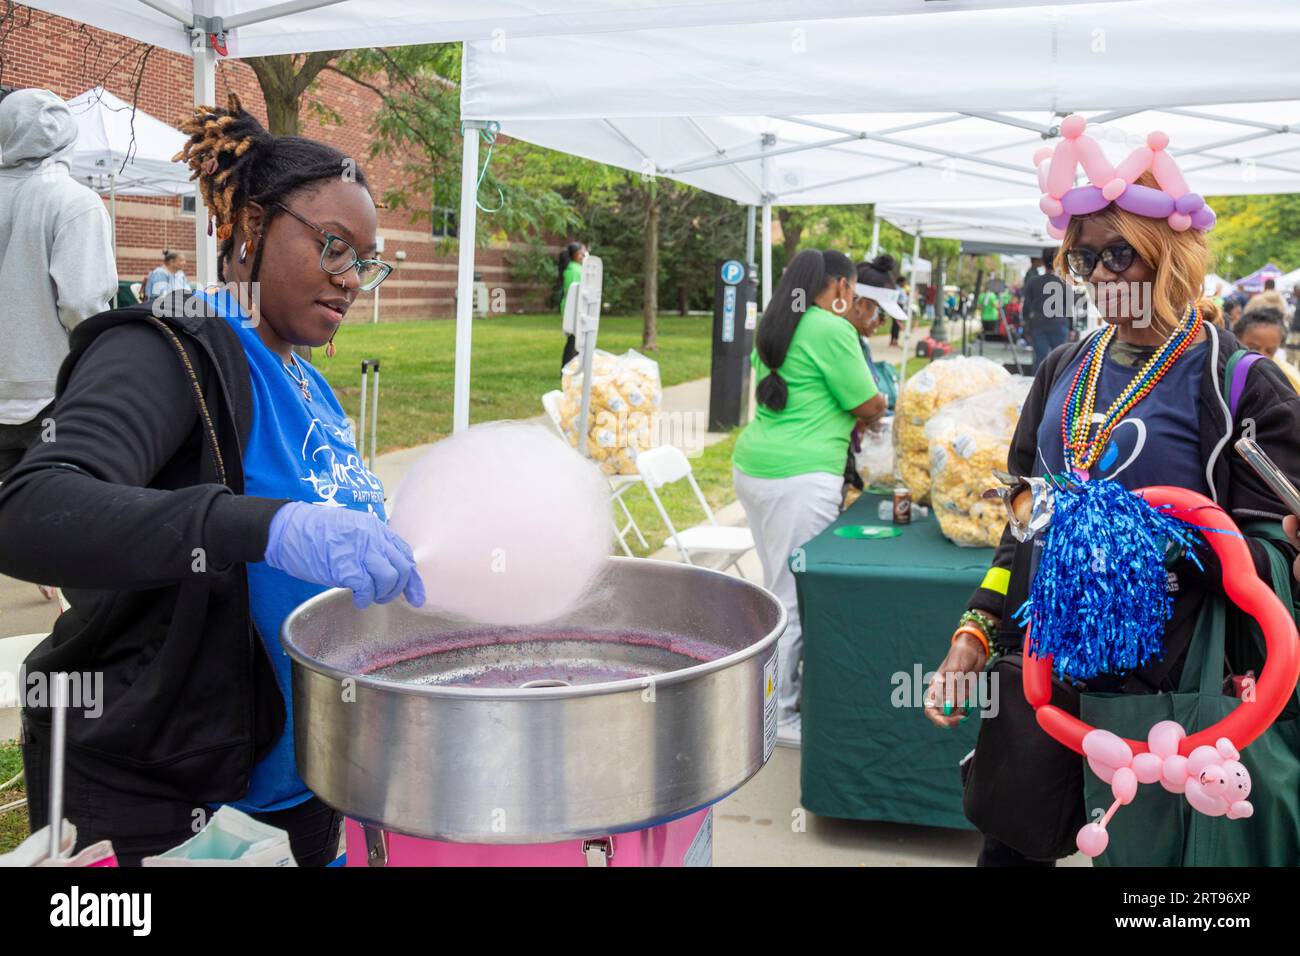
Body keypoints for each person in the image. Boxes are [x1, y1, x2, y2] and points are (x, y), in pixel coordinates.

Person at [0, 93, 424, 867]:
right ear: (252, 226)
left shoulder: (308, 380)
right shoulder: (170, 354)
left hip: (303, 780)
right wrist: (265, 528)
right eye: (333, 247)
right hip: (170, 795)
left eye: (365, 261)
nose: (352, 278)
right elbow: (33, 509)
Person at [924, 162, 1300, 866]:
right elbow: (1023, 524)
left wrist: (1155, 544)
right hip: (1049, 671)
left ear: (1171, 253)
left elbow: (1271, 549)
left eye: (1118, 252)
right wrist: (976, 628)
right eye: (1083, 257)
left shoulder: (1240, 382)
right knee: (1011, 845)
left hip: (1172, 699)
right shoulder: (1064, 366)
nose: (1099, 276)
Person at [733, 249, 886, 743]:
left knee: (776, 586)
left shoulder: (777, 323)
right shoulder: (830, 328)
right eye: (854, 289)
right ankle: (774, 716)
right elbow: (868, 402)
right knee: (792, 597)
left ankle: (769, 698)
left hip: (756, 468)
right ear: (841, 286)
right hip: (800, 479)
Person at [0, 88, 117, 481]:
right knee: (47, 521)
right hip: (53, 393)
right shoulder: (75, 202)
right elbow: (84, 304)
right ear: (68, 136)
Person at [1021, 246, 1074, 371]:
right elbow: (1069, 307)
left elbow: (1026, 307)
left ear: (1043, 261)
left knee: (1040, 360)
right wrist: (1072, 328)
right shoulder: (1064, 282)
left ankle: (1039, 388)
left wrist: (1026, 327)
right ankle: (1057, 388)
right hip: (1060, 323)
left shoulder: (1033, 282)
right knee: (1060, 361)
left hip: (1038, 324)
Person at [1233, 306, 1300, 393]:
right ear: (1236, 339)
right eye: (1253, 348)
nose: (1261, 355)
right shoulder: (1226, 369)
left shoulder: (1288, 377)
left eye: (1270, 351)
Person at [558, 241, 587, 371]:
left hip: (575, 308)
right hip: (574, 308)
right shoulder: (574, 270)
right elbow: (575, 291)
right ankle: (567, 368)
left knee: (577, 340)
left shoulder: (575, 268)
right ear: (577, 254)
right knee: (574, 341)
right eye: (583, 252)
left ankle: (575, 367)